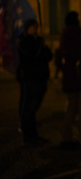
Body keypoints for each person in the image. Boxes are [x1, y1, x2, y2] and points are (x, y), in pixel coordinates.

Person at [16, 19, 53, 147]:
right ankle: (28, 138)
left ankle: (34, 136)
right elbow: (33, 54)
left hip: (40, 79)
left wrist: (43, 43)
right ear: (28, 28)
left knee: (33, 109)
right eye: (34, 27)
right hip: (30, 79)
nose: (36, 29)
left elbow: (49, 56)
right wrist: (40, 42)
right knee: (28, 109)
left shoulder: (37, 41)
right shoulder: (24, 42)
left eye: (36, 26)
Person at [59, 11, 81, 151]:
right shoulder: (78, 33)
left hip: (69, 77)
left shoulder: (64, 34)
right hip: (80, 78)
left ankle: (66, 138)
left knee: (70, 110)